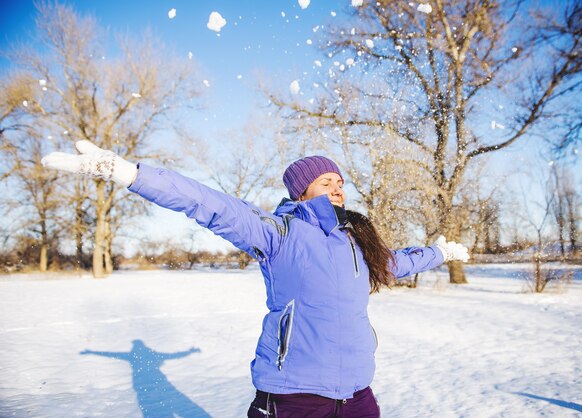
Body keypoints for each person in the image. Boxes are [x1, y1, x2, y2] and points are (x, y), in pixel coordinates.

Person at [42, 141, 469, 417]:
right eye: (327, 181)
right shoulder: (278, 233)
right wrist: (130, 174)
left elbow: (396, 263)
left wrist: (440, 253)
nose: (339, 189)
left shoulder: (358, 244)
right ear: (302, 191)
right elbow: (209, 204)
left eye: (341, 182)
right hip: (296, 398)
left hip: (358, 396)